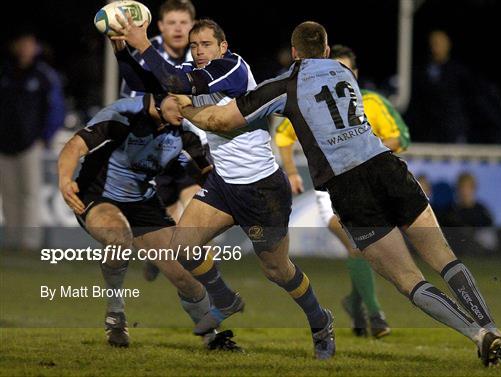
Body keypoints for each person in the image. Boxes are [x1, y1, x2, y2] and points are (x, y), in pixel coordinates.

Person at [171, 21, 501, 369]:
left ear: (294, 53)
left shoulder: (285, 84)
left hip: (349, 186)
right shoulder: (345, 74)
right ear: (327, 51)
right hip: (388, 169)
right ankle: (492, 328)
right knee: (446, 259)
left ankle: (476, 336)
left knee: (408, 280)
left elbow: (222, 120)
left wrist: (184, 106)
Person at [110, 17, 335, 359]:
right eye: (195, 45)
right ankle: (225, 298)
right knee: (183, 247)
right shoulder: (193, 70)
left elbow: (172, 80)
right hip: (223, 184)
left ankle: (320, 322)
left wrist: (144, 44)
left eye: (206, 45)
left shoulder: (232, 68)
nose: (199, 51)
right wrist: (123, 51)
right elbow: (148, 83)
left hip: (261, 188)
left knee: (277, 270)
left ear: (223, 47)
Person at [57, 93, 238, 350]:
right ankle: (116, 313)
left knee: (185, 275)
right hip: (97, 196)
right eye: (180, 102)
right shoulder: (124, 115)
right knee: (119, 237)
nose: (185, 109)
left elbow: (207, 174)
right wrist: (65, 180)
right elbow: (75, 145)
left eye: (190, 104)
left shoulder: (186, 134)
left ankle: (213, 337)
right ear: (160, 97)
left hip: (143, 203)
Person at [274, 44, 410, 338]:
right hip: (330, 187)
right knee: (355, 242)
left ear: (355, 73)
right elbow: (283, 136)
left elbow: (402, 136)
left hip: (368, 185)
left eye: (343, 68)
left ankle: (355, 302)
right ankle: (376, 315)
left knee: (366, 247)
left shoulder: (372, 102)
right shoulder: (310, 99)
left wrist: (371, 150)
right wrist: (293, 171)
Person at [119, 0, 203, 282]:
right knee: (168, 223)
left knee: (195, 215)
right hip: (155, 151)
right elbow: (131, 104)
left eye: (184, 23)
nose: (178, 29)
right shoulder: (145, 56)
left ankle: (208, 289)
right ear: (160, 26)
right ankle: (161, 257)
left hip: (192, 148)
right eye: (172, 23)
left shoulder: (201, 53)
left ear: (192, 25)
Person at [0, 31, 65, 251]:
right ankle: (11, 240)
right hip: (4, 144)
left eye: (29, 43)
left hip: (30, 144)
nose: (25, 48)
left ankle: (29, 242)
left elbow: (56, 109)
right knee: (8, 194)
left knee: (30, 193)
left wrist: (44, 138)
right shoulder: (5, 72)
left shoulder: (43, 75)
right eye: (21, 43)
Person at [406, 30, 473, 143]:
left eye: (440, 43)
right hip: (426, 133)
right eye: (433, 43)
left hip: (453, 133)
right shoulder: (419, 72)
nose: (436, 47)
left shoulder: (459, 73)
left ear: (448, 45)